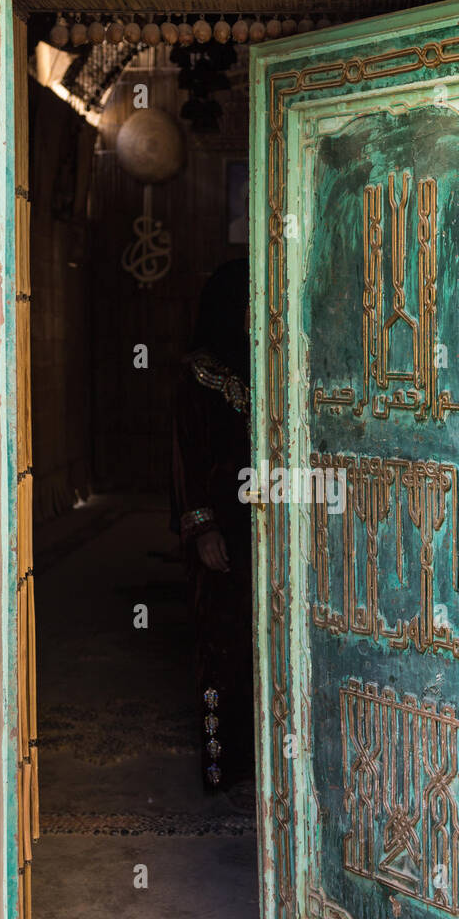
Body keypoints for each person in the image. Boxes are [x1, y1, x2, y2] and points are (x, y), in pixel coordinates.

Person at [171, 257, 254, 792]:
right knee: (219, 647)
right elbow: (184, 460)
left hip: (266, 527)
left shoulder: (270, 363)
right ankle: (222, 765)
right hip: (220, 532)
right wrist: (202, 529)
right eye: (246, 304)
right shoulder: (196, 375)